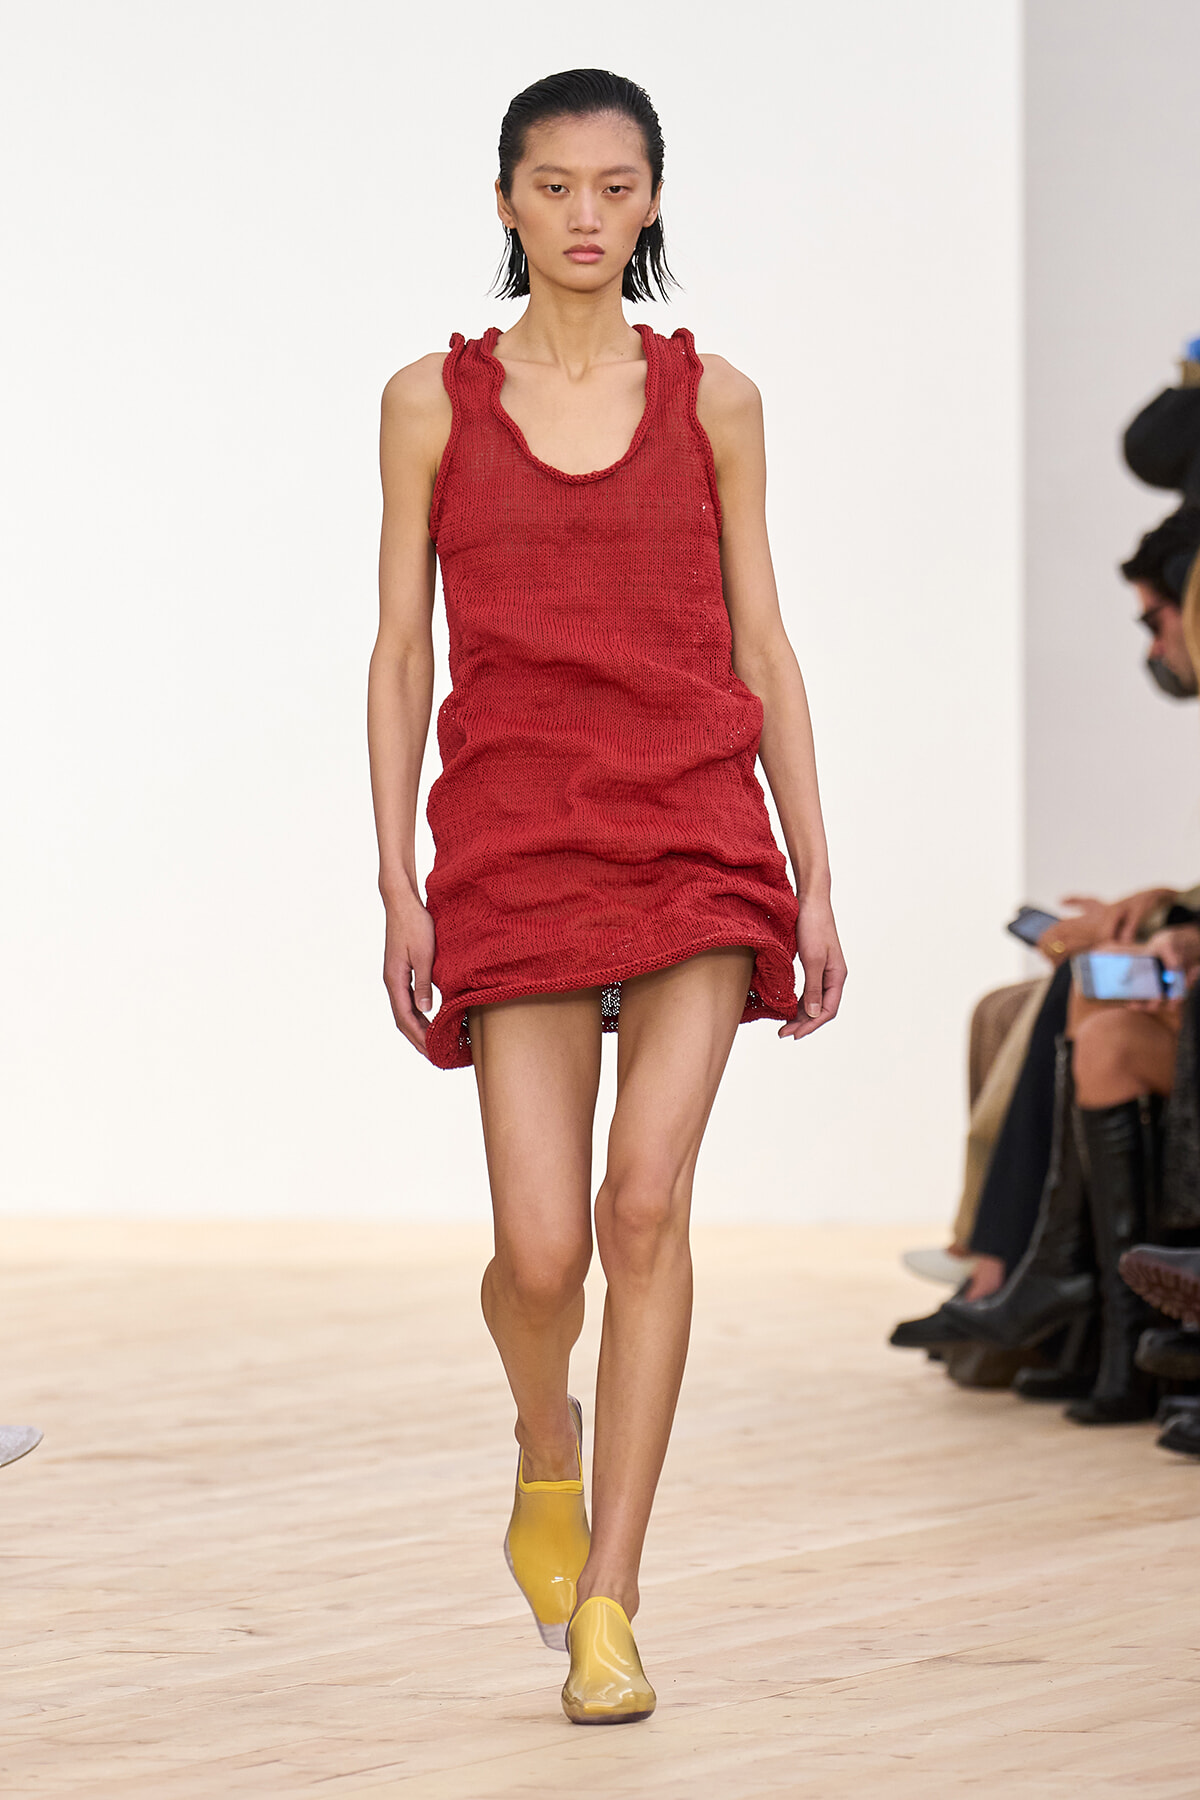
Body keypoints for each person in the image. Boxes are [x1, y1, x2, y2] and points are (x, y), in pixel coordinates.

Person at [367, 69, 845, 1725]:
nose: (586, 215)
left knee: (645, 1206)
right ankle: (541, 1439)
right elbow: (403, 649)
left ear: (653, 202)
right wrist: (397, 882)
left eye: (616, 186)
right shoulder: (433, 402)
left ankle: (616, 1604)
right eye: (553, 186)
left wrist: (815, 869)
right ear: (504, 202)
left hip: (695, 829)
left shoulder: (718, 402)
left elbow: (763, 641)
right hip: (510, 836)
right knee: (540, 1254)